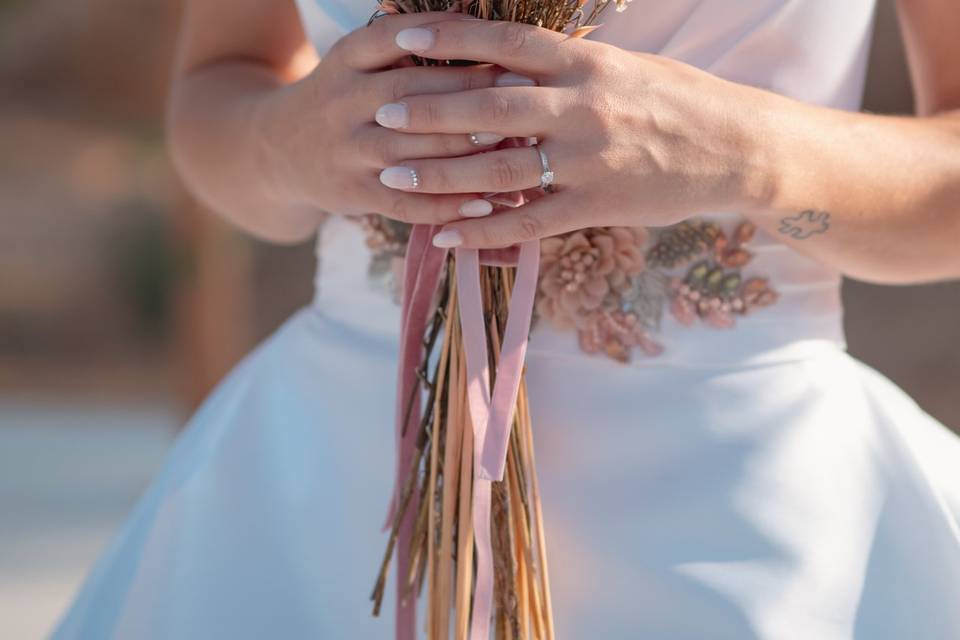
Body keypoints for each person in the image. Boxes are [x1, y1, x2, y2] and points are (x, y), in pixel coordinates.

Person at [55, 1, 960, 638]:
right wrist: (290, 144)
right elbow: (218, 88)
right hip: (326, 473)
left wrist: (748, 156)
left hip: (756, 497)